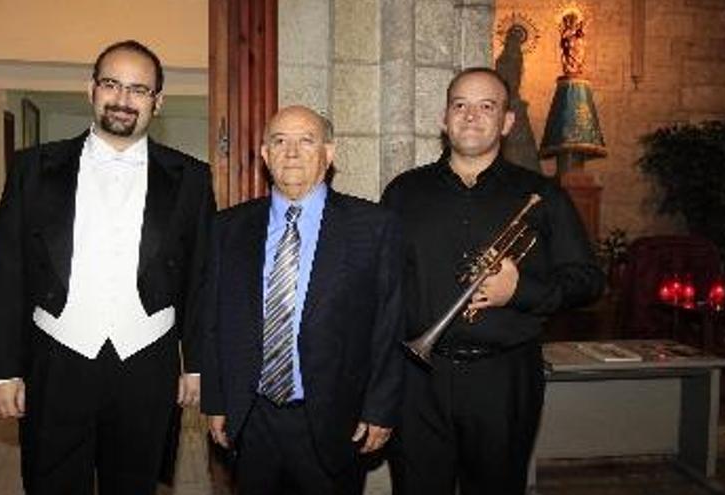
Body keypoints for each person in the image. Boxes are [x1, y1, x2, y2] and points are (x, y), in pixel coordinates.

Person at [0, 40, 215, 494]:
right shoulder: (33, 168)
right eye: (112, 84)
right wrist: (3, 369)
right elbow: (5, 270)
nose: (124, 99)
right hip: (57, 354)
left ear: (157, 102)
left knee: (135, 484)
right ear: (91, 89)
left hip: (147, 360)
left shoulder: (192, 178)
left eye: (139, 89)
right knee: (51, 482)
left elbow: (201, 277)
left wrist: (197, 364)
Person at [381, 68, 604, 494]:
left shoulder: (543, 195)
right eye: (459, 105)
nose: (471, 116)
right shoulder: (403, 194)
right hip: (417, 381)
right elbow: (380, 287)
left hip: (504, 378)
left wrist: (520, 291)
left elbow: (589, 280)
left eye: (487, 106)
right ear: (444, 119)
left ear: (506, 122)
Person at [202, 105, 404, 494]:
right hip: (251, 417)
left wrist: (380, 407)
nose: (291, 152)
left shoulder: (374, 227)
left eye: (306, 141)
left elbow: (389, 325)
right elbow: (213, 321)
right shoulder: (229, 228)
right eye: (279, 141)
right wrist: (216, 400)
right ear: (265, 155)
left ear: (329, 154)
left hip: (333, 419)